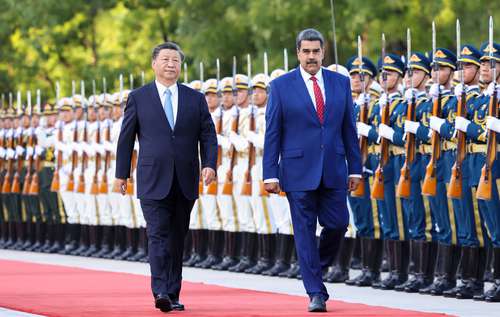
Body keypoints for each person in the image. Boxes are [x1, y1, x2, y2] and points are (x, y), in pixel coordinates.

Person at [263, 28, 362, 312]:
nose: (311, 57)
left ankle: (314, 267)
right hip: (296, 171)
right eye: (305, 51)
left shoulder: (340, 83)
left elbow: (348, 129)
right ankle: (315, 292)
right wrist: (270, 173)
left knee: (339, 223)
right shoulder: (281, 86)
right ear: (298, 53)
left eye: (316, 51)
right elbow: (273, 132)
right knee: (304, 232)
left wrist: (355, 168)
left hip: (333, 168)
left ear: (323, 53)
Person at [115, 42, 217, 313]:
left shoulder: (195, 98)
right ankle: (160, 290)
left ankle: (173, 292)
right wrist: (121, 174)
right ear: (154, 64)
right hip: (152, 178)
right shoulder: (139, 97)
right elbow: (126, 138)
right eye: (166, 59)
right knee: (157, 234)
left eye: (176, 60)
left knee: (177, 237)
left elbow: (208, 134)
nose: (171, 64)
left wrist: (209, 164)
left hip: (185, 177)